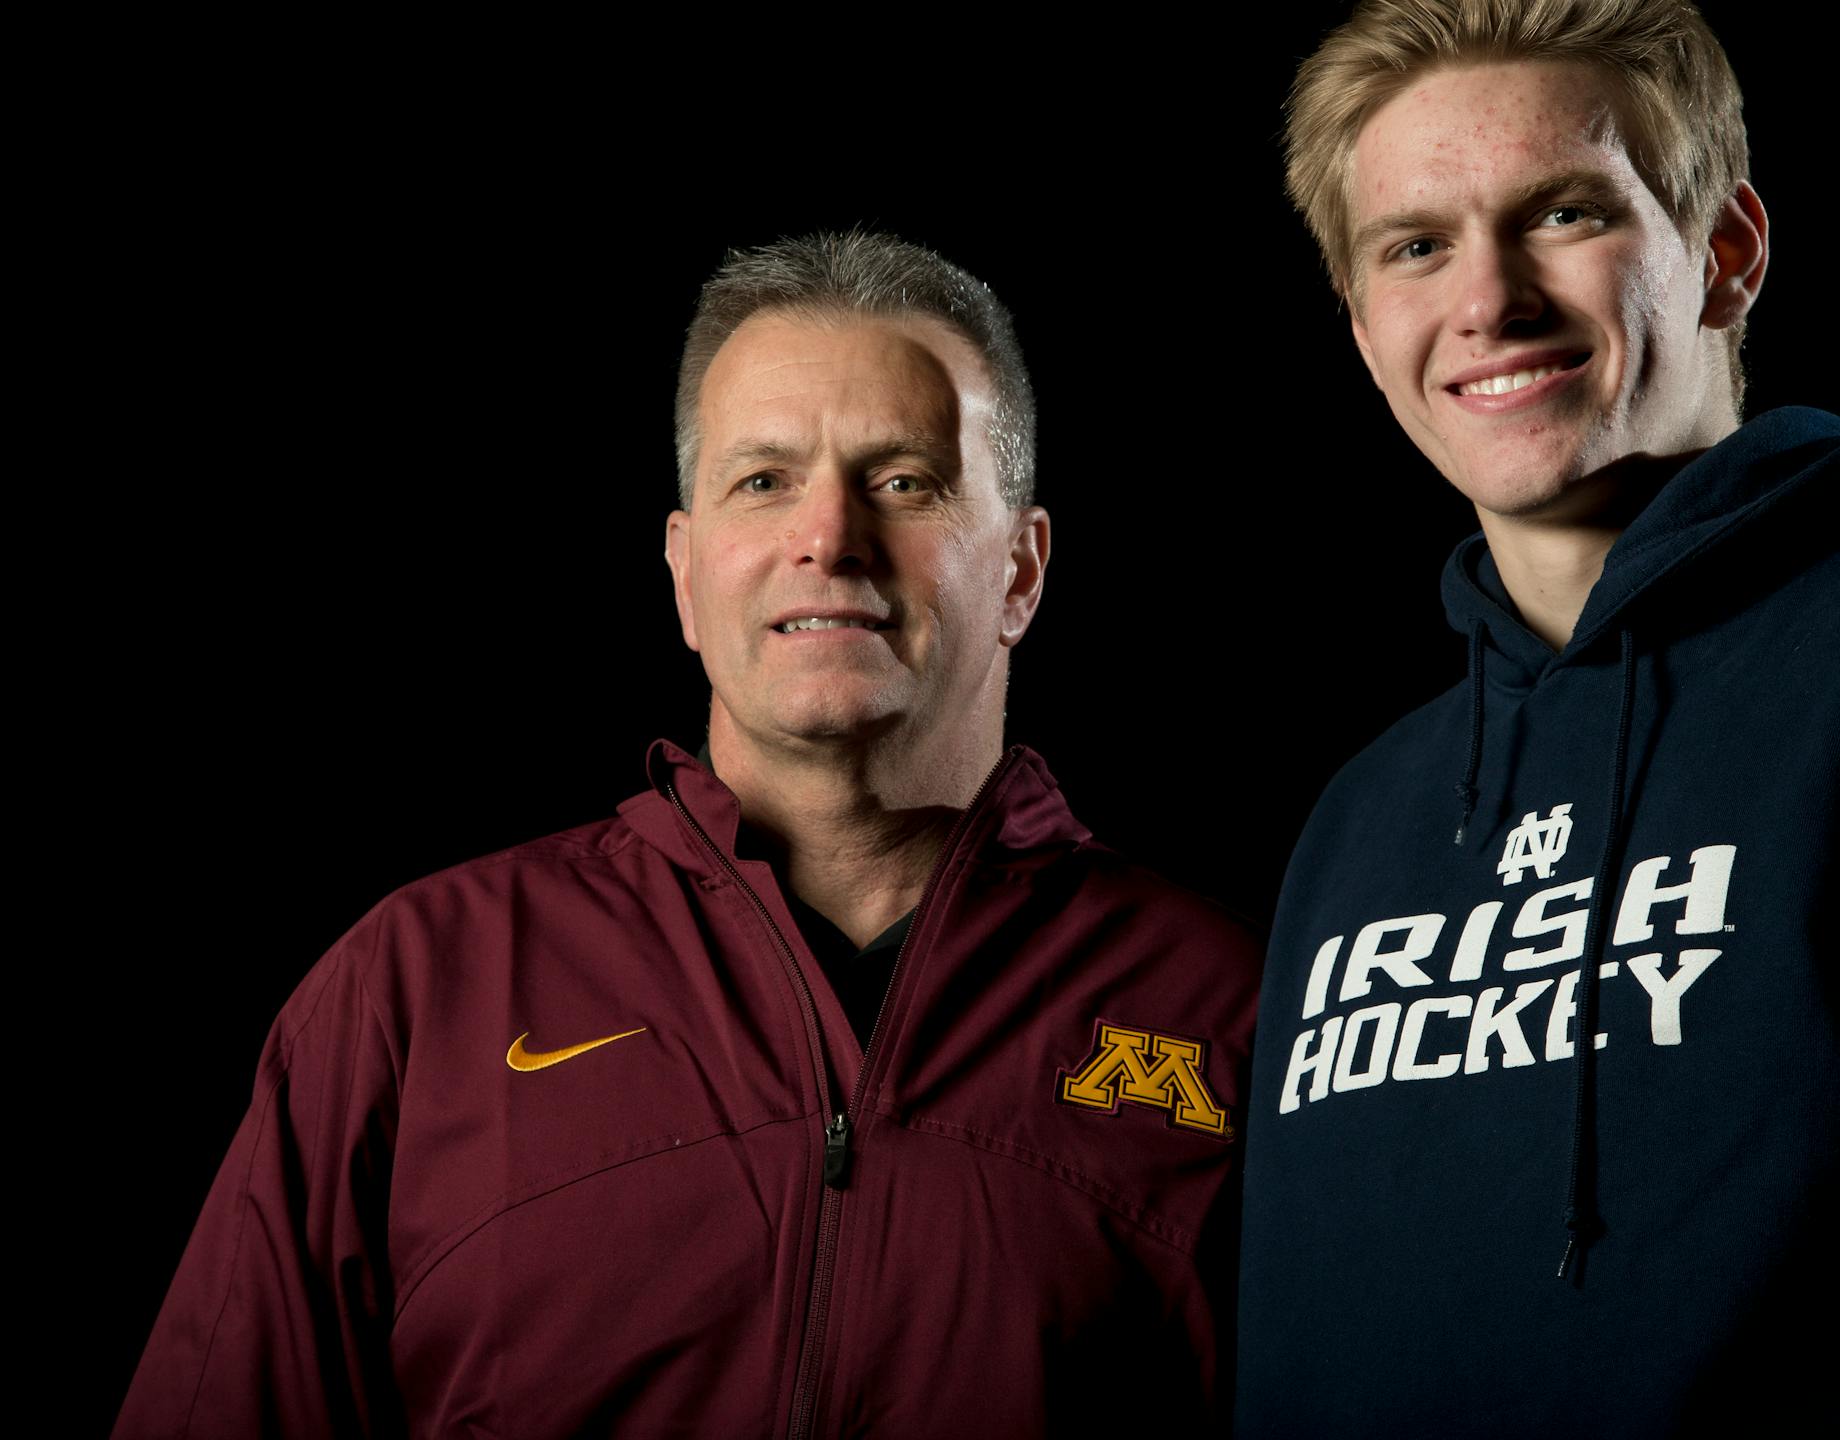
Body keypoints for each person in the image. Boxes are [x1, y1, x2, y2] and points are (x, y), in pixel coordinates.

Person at [119, 232, 1258, 1438]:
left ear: (1022, 571)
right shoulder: (416, 988)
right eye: (763, 481)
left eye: (905, 480)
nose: (828, 536)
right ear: (683, 576)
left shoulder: (1226, 1008)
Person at [1235, 2, 1840, 1434]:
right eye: (1416, 245)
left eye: (1561, 214)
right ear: (1365, 331)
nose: (1488, 300)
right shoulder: (1364, 817)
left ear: (1725, 255)